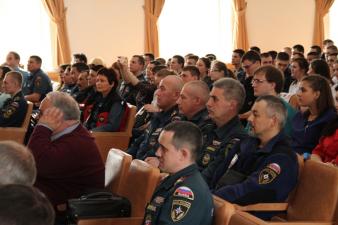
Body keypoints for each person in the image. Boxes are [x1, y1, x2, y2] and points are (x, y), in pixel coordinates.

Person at [210, 96, 298, 219]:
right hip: (219, 203)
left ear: (273, 121)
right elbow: (219, 171)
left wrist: (211, 197)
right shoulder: (246, 143)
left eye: (256, 115)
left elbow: (249, 190)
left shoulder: (282, 158)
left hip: (243, 215)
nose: (250, 119)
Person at [27, 91, 104, 206]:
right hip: (49, 195)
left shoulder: (78, 143)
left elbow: (34, 164)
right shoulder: (68, 133)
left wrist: (43, 127)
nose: (38, 117)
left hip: (64, 210)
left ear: (59, 116)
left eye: (42, 113)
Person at [142, 121, 213, 225]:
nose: (157, 153)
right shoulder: (175, 180)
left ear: (183, 154)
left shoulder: (188, 192)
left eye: (164, 149)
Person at [201, 78, 248, 179]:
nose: (208, 103)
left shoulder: (238, 139)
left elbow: (210, 176)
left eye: (215, 99)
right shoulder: (207, 127)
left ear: (232, 105)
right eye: (209, 98)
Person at [127, 75, 183, 160]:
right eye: (158, 88)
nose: (157, 93)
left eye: (162, 89)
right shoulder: (159, 114)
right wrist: (126, 157)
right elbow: (140, 141)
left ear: (176, 95)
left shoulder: (175, 122)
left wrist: (135, 164)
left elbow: (156, 152)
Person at [291, 75, 336, 154]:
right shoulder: (300, 115)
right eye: (298, 89)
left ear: (317, 94)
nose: (298, 94)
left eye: (303, 90)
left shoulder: (330, 119)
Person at [251, 65, 297, 136]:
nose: (253, 85)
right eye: (253, 81)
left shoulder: (285, 111)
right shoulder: (259, 105)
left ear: (272, 85)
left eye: (257, 81)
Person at [84, 67, 126, 131]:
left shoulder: (117, 102)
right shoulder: (98, 97)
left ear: (112, 84)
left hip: (104, 137)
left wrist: (91, 132)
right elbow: (91, 118)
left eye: (102, 81)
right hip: (92, 132)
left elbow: (111, 126)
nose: (98, 83)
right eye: (97, 80)